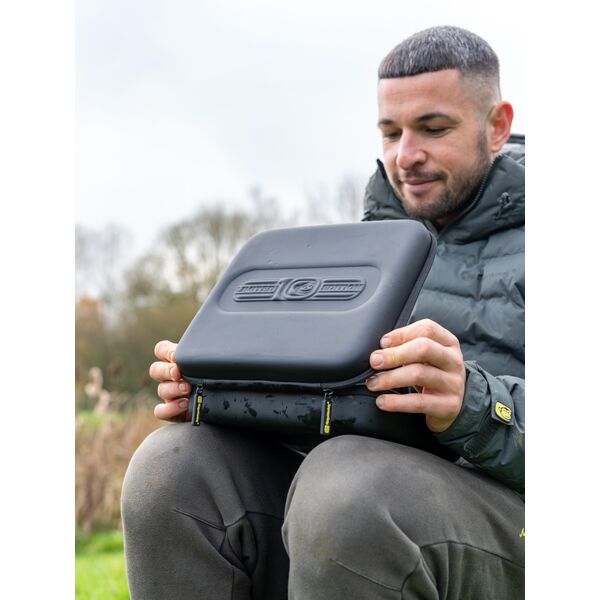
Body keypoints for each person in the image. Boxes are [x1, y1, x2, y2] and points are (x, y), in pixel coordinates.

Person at [121, 25, 525, 599]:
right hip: (356, 491)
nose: (405, 156)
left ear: (497, 125)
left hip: (513, 518)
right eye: (391, 132)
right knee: (173, 467)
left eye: (434, 129)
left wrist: (473, 403)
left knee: (349, 489)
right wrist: (218, 390)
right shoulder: (359, 256)